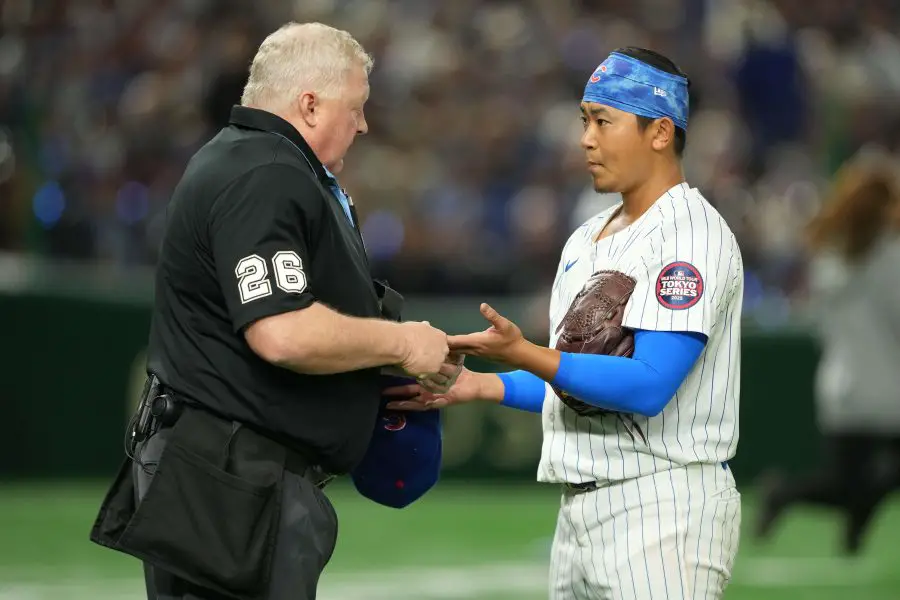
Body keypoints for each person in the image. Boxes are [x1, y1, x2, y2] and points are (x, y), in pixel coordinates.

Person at [90, 22, 459, 600]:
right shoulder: (264, 172)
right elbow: (281, 331)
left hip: (233, 474)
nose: (362, 124)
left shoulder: (255, 162)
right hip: (232, 483)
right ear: (309, 104)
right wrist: (404, 343)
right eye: (355, 107)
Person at [390, 47, 745, 600]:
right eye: (585, 120)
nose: (586, 138)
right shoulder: (588, 236)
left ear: (659, 132)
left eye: (604, 121)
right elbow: (579, 380)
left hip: (663, 507)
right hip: (583, 509)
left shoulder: (689, 233)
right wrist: (480, 384)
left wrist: (523, 352)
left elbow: (649, 385)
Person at [755, 153, 900, 555]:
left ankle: (804, 506)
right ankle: (785, 496)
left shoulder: (829, 256)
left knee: (846, 482)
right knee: (852, 484)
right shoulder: (889, 256)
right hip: (888, 386)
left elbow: (816, 320)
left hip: (843, 385)